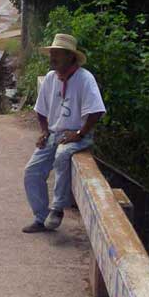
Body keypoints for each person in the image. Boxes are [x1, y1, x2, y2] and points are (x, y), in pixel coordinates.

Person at [22, 33, 106, 233]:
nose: (52, 58)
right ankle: (41, 218)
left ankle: (58, 208)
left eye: (57, 54)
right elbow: (40, 110)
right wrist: (44, 131)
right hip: (54, 134)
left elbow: (96, 110)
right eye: (52, 53)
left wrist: (80, 133)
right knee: (31, 172)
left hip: (77, 135)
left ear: (70, 56)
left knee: (62, 155)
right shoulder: (51, 78)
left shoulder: (85, 78)